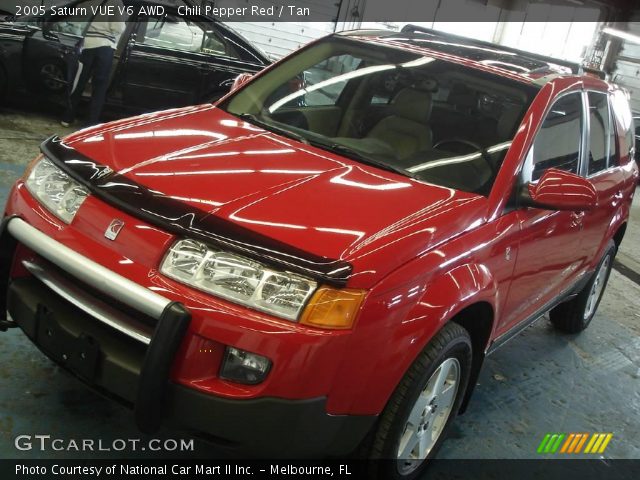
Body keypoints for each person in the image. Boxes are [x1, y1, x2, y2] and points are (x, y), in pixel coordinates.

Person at [61, 0, 126, 127]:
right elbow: (117, 27)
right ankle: (90, 124)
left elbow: (75, 20)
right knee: (99, 88)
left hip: (86, 45)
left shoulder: (89, 2)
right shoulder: (116, 3)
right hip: (104, 47)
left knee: (79, 82)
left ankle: (67, 118)